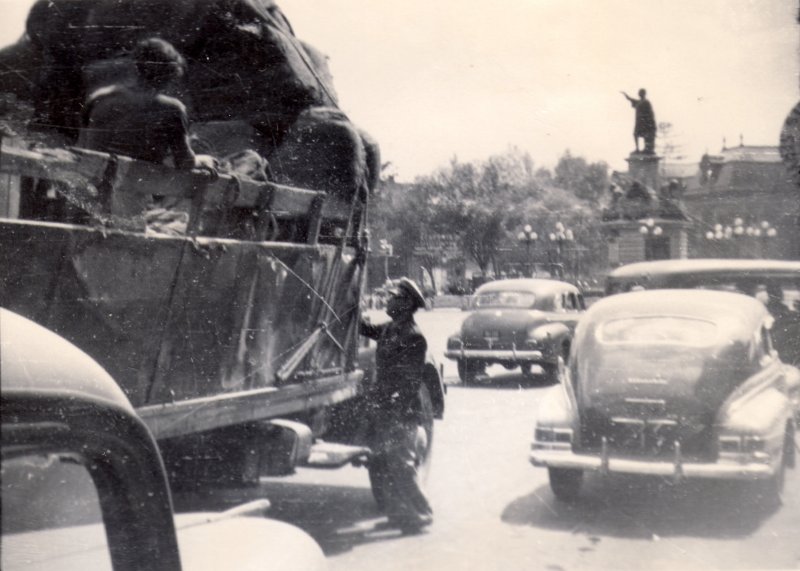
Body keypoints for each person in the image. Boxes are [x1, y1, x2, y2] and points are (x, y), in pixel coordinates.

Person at [360, 277, 433, 534]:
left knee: (401, 465)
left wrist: (394, 410)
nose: (387, 301)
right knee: (384, 463)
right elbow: (367, 329)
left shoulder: (413, 336)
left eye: (393, 298)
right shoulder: (391, 328)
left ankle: (421, 513)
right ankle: (400, 513)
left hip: (400, 410)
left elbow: (410, 382)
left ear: (405, 303)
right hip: (384, 406)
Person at [78, 37, 216, 174]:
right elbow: (184, 162)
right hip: (133, 189)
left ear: (135, 66)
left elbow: (84, 147)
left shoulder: (100, 97)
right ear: (170, 74)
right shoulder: (172, 108)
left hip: (89, 181)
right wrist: (204, 160)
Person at [621, 88, 657, 154]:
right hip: (638, 121)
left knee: (645, 135)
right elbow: (631, 99)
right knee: (635, 134)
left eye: (640, 92)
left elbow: (650, 113)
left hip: (645, 122)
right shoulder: (639, 102)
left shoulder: (646, 102)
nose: (639, 94)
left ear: (643, 93)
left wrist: (650, 123)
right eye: (639, 92)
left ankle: (646, 149)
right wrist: (625, 95)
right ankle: (637, 149)